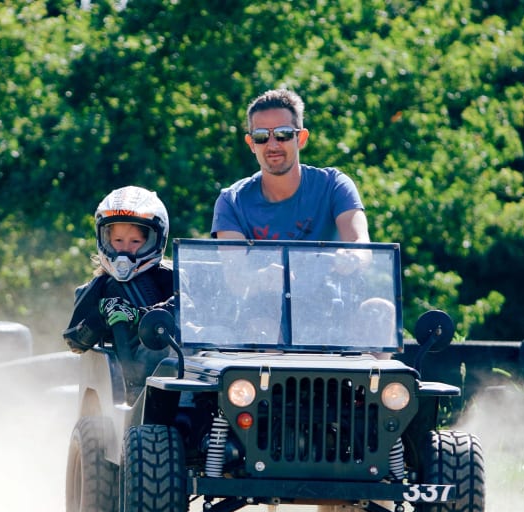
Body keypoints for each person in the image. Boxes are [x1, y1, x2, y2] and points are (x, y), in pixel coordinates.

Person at [212, 87, 370, 244]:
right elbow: (235, 266)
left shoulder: (334, 186)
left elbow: (360, 244)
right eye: (261, 136)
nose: (273, 145)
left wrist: (351, 257)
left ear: (301, 138)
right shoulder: (232, 202)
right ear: (251, 143)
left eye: (283, 134)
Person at [62, 186, 174, 398]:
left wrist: (140, 314)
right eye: (118, 241)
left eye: (135, 242)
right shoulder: (100, 286)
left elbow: (191, 307)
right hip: (127, 383)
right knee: (155, 346)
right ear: (105, 240)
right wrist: (102, 315)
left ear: (154, 240)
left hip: (177, 371)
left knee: (160, 339)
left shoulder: (172, 277)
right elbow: (74, 341)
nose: (125, 249)